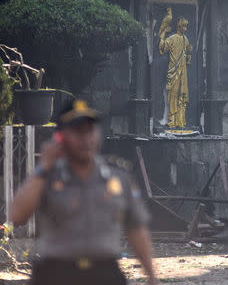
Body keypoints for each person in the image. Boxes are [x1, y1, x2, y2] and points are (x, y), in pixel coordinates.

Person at [10, 99, 158, 285]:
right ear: (61, 137)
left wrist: (152, 276)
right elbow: (17, 216)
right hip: (55, 274)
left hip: (105, 274)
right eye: (78, 131)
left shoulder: (119, 178)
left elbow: (136, 229)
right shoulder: (46, 177)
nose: (86, 138)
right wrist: (43, 168)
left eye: (90, 130)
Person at [159, 16, 193, 128]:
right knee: (173, 95)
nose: (186, 29)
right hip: (173, 71)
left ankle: (180, 120)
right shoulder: (172, 38)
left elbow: (188, 55)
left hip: (183, 72)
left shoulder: (185, 39)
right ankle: (172, 119)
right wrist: (163, 34)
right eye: (184, 26)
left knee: (182, 95)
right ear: (179, 27)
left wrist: (189, 54)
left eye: (186, 26)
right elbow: (162, 48)